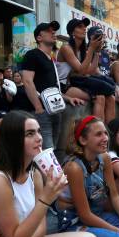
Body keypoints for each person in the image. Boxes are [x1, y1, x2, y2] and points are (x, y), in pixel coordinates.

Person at [21, 21, 84, 150]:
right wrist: (38, 107)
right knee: (46, 151)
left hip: (55, 109)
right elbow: (27, 81)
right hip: (41, 111)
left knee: (53, 149)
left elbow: (52, 88)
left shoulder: (50, 59)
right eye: (49, 31)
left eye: (54, 31)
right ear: (39, 37)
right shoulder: (32, 55)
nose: (53, 33)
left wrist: (68, 98)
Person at [56, 19, 116, 123]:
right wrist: (92, 49)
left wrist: (97, 52)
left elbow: (91, 71)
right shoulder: (66, 48)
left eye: (85, 27)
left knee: (111, 98)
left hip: (77, 83)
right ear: (72, 32)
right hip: (65, 87)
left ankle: (110, 132)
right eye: (80, 26)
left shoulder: (82, 50)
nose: (84, 29)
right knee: (100, 97)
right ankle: (97, 132)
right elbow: (81, 71)